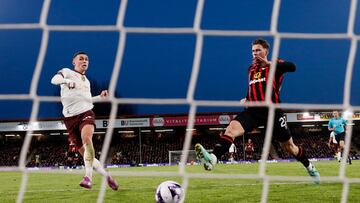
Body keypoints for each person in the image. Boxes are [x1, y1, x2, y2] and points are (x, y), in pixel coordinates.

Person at [195, 39, 320, 183]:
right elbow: (253, 88)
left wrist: (269, 64)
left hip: (273, 112)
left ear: (266, 51)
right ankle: (213, 159)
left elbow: (293, 67)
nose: (255, 53)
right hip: (253, 112)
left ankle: (310, 167)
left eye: (258, 50)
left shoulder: (275, 65)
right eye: (253, 51)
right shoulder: (251, 69)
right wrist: (247, 99)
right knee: (231, 129)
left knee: (290, 148)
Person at [51, 51, 119, 190]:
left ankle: (88, 178)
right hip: (69, 119)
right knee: (88, 157)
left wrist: (100, 97)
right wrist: (66, 80)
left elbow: (87, 100)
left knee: (87, 139)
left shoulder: (86, 82)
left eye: (86, 59)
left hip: (85, 114)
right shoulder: (67, 72)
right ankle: (107, 176)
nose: (84, 61)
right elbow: (54, 80)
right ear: (74, 62)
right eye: (81, 59)